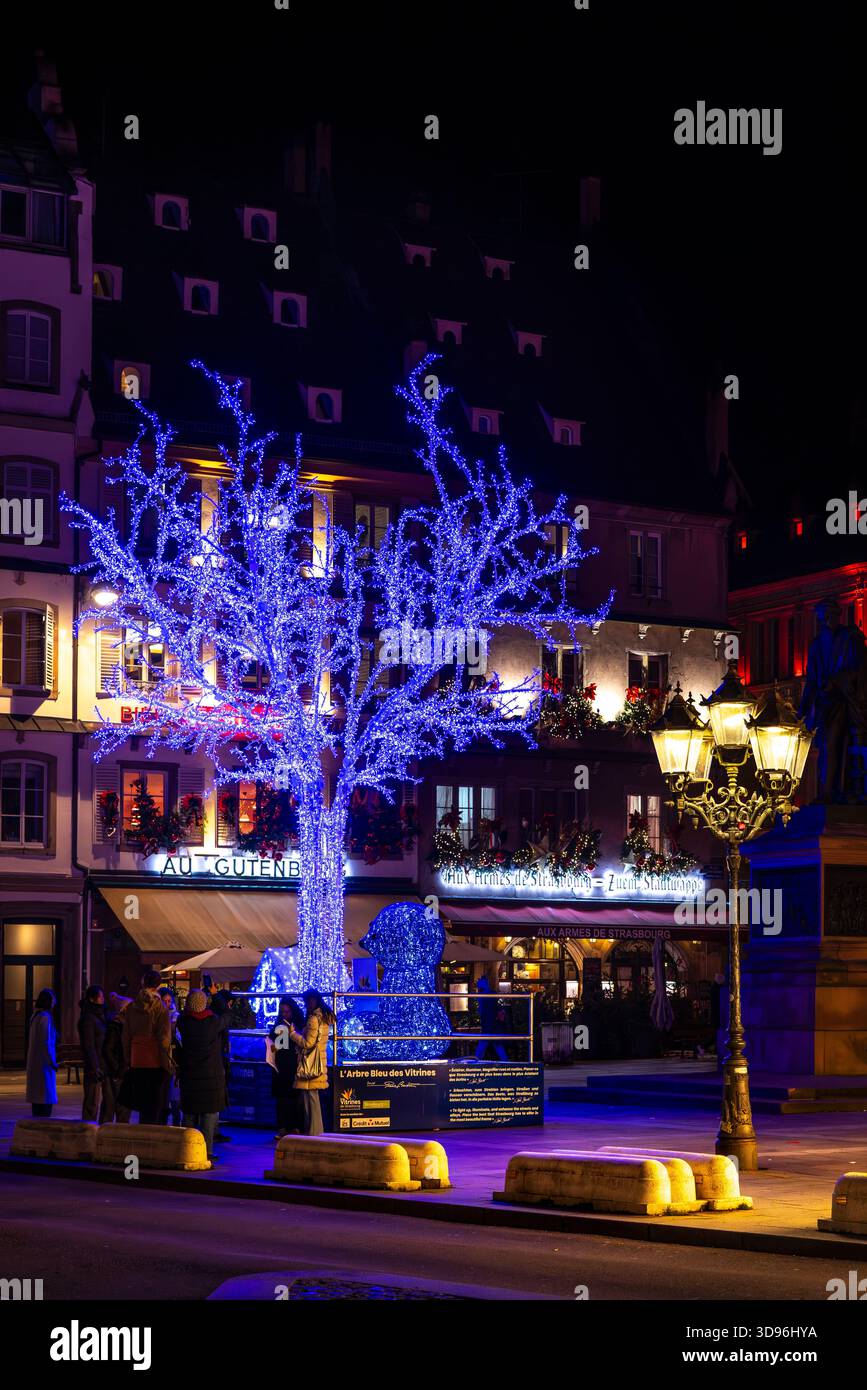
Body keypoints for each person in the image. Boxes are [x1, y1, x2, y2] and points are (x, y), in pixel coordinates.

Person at [175, 989, 230, 1160]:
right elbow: (228, 1014)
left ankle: (187, 1149)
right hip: (211, 1077)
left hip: (190, 1075)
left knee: (190, 1114)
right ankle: (207, 1151)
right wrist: (216, 995)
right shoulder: (213, 1022)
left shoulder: (183, 1022)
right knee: (209, 1114)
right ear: (205, 1003)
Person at [118, 969, 173, 1124]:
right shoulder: (160, 1008)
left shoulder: (131, 1007)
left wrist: (129, 1058)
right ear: (158, 985)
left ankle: (142, 1140)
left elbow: (126, 1036)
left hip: (137, 1060)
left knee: (142, 1107)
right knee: (155, 1108)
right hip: (155, 1061)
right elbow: (164, 1038)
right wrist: (166, 1064)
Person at [289, 989, 335, 1135]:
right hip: (319, 1062)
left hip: (311, 1064)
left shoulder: (314, 1019)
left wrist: (292, 1034)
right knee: (312, 1099)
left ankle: (314, 1132)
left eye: (306, 1001)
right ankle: (314, 1131)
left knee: (311, 1100)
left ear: (312, 1000)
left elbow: (308, 1043)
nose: (305, 1004)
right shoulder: (323, 1017)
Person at [269, 995, 305, 1138]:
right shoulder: (279, 1025)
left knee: (294, 1097)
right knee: (282, 1098)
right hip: (281, 1065)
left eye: (287, 1012)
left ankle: (294, 1126)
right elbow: (275, 1044)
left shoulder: (297, 1024)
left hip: (293, 1064)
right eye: (282, 1012)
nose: (284, 1015)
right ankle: (283, 1127)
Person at [26, 988, 59, 1117]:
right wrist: (53, 1062)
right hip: (44, 1065)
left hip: (35, 1064)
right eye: (53, 999)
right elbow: (47, 1043)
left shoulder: (35, 1016)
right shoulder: (46, 1017)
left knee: (37, 1101)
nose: (55, 1002)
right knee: (45, 1099)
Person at [77, 985, 108, 1122]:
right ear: (92, 999)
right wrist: (95, 1066)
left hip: (104, 1063)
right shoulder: (88, 1018)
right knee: (92, 1101)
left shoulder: (100, 1015)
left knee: (107, 1100)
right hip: (94, 1066)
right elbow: (89, 1045)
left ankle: (100, 1128)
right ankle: (88, 1129)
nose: (103, 999)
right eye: (100, 996)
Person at [102, 993, 132, 1123]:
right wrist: (117, 1070)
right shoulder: (115, 1027)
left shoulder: (124, 1026)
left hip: (122, 1071)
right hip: (118, 1073)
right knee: (118, 1106)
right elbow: (108, 1049)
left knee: (121, 1106)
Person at [158, 987, 182, 1125]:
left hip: (174, 1061)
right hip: (161, 1061)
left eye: (169, 1001)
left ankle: (176, 1122)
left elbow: (179, 1039)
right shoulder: (157, 1016)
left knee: (175, 1096)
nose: (167, 1004)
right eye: (164, 1001)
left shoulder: (175, 1017)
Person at [475, 975, 508, 1061]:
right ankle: (506, 1062)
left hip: (488, 1024)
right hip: (493, 1024)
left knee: (484, 1045)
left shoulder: (483, 997)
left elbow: (484, 1012)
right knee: (497, 1045)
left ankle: (476, 1062)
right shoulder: (491, 995)